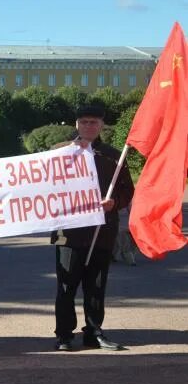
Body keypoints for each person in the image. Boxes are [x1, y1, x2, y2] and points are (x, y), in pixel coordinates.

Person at [52, 105, 134, 351]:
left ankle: (94, 332)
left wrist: (114, 203)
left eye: (94, 122)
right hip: (67, 232)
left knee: (96, 286)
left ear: (101, 125)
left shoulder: (114, 157)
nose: (89, 126)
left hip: (102, 231)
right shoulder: (58, 153)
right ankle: (64, 334)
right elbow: (42, 188)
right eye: (84, 121)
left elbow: (127, 190)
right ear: (76, 124)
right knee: (66, 286)